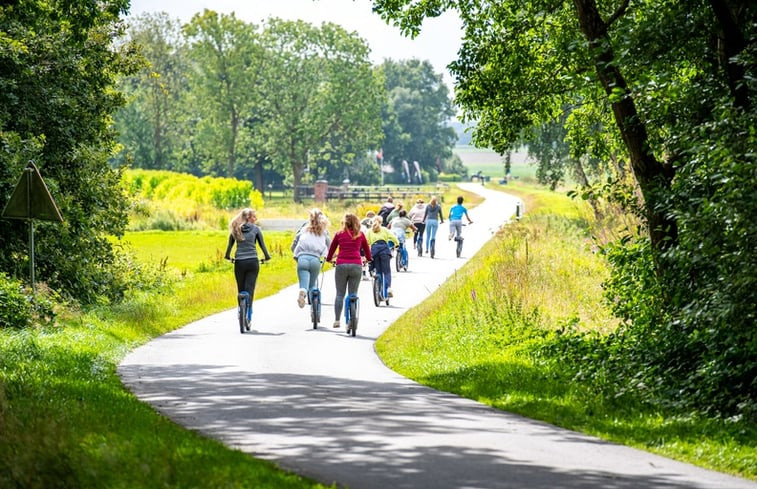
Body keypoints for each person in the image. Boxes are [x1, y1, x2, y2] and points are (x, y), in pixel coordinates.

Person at [325, 213, 372, 328]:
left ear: (344, 222)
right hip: (356, 265)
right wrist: (368, 259)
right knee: (353, 293)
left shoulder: (339, 234)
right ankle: (353, 318)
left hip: (341, 265)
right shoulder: (360, 234)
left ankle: (337, 320)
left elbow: (331, 250)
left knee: (340, 294)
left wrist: (329, 259)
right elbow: (367, 250)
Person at [224, 208, 272, 318]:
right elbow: (263, 247)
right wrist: (266, 258)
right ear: (248, 218)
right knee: (250, 289)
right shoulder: (256, 229)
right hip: (253, 262)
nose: (256, 219)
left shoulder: (235, 229)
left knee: (240, 289)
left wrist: (229, 257)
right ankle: (249, 312)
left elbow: (228, 251)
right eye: (254, 217)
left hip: (239, 263)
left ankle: (241, 310)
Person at [292, 208, 331, 308]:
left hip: (302, 258)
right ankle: (315, 311)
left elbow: (294, 244)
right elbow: (329, 246)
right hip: (315, 260)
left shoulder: (303, 229)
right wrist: (330, 257)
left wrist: (295, 252)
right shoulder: (324, 232)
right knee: (312, 285)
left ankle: (302, 292)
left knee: (304, 285)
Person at [365, 216, 396, 297]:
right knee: (387, 271)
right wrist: (397, 244)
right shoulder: (385, 229)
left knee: (378, 271)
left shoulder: (369, 231)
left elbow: (366, 243)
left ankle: (378, 286)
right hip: (384, 251)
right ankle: (388, 288)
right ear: (381, 222)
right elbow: (393, 238)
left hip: (374, 252)